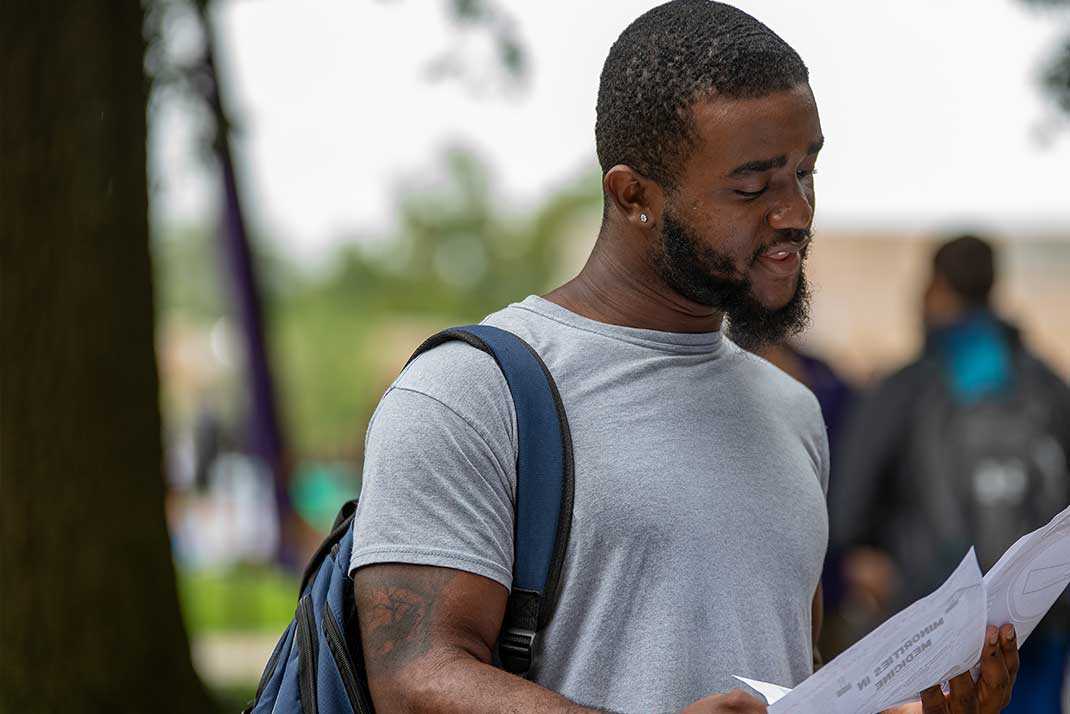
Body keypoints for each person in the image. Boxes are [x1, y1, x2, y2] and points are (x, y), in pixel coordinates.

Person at [350, 4, 1019, 713]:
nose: (795, 212)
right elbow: (413, 680)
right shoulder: (470, 394)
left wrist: (910, 711)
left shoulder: (790, 409)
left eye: (805, 170)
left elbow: (782, 681)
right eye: (753, 186)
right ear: (633, 196)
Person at [833, 234, 1070, 713]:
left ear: (936, 289)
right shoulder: (1046, 386)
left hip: (935, 630)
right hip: (1035, 624)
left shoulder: (906, 387)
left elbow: (846, 506)